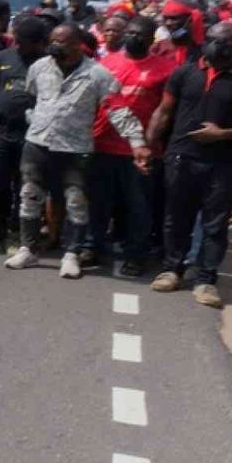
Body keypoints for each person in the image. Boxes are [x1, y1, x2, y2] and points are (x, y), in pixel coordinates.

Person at [4, 24, 148, 276]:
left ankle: (72, 253)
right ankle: (28, 248)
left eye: (61, 41)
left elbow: (117, 109)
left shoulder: (97, 74)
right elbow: (30, 98)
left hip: (75, 148)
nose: (54, 46)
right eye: (52, 40)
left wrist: (136, 142)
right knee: (29, 195)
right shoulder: (39, 67)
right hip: (37, 143)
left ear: (76, 45)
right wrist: (35, 120)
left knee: (76, 201)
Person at [146, 22, 232, 308]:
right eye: (211, 39)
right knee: (176, 217)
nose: (215, 45)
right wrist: (149, 145)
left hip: (224, 164)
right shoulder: (184, 72)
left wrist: (222, 134)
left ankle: (205, 280)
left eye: (223, 41)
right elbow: (163, 112)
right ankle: (172, 270)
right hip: (181, 157)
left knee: (214, 224)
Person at [84, 16, 174, 276]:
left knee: (138, 206)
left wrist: (151, 143)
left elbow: (166, 111)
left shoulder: (166, 68)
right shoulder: (106, 63)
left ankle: (137, 255)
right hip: (102, 144)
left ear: (150, 39)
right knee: (98, 202)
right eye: (130, 33)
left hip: (140, 150)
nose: (132, 38)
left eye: (139, 35)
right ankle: (92, 247)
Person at [0, 17, 49, 256]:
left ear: (38, 43)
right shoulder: (2, 57)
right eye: (17, 40)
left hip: (32, 136)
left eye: (24, 42)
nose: (18, 45)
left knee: (23, 186)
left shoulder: (48, 65)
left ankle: (13, 235)